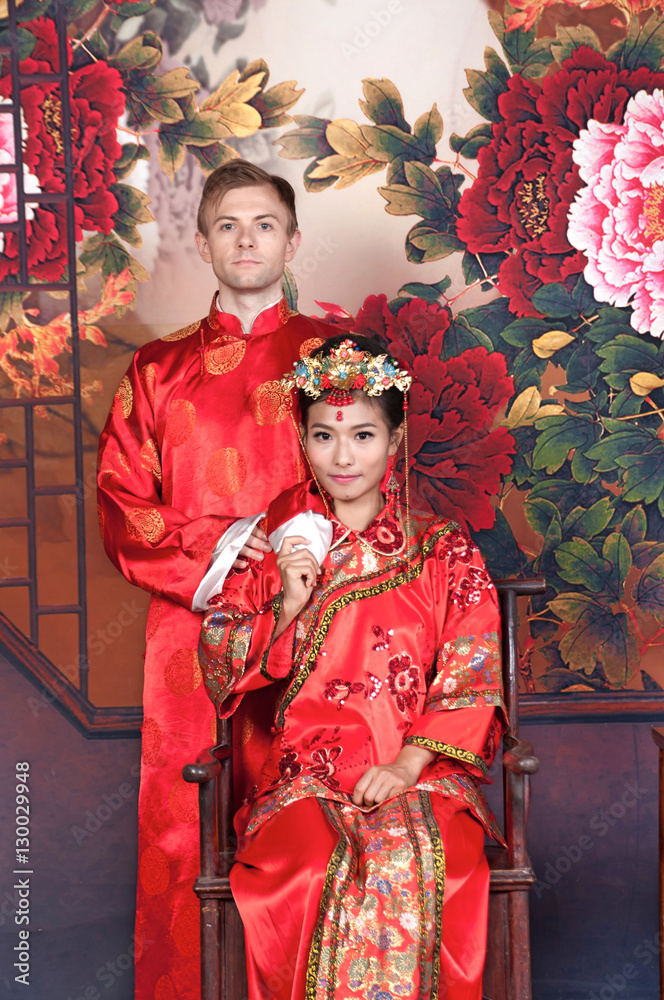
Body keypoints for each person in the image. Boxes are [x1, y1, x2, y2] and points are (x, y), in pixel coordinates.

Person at [198, 335, 506, 1000]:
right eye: (323, 437)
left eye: (364, 435)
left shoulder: (442, 551)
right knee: (317, 867)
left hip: (420, 774)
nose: (344, 457)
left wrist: (405, 766)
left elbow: (471, 670)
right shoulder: (271, 552)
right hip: (302, 779)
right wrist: (288, 605)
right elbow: (219, 663)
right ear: (301, 440)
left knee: (427, 863)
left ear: (395, 440)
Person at [97, 159, 336, 1000]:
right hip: (185, 636)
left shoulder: (330, 360)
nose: (246, 240)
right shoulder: (155, 373)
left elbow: (369, 486)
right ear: (202, 243)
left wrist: (295, 566)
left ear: (292, 240)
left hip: (315, 624)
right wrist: (233, 544)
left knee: (306, 820)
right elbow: (126, 510)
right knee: (182, 834)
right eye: (228, 225)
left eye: (264, 224)